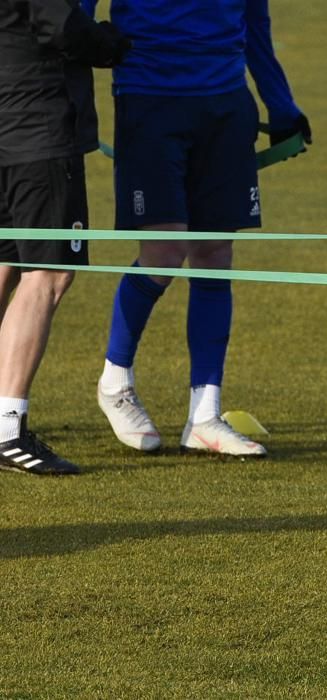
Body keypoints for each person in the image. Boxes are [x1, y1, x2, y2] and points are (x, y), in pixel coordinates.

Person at [90, 0, 312, 457]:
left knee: (214, 253)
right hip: (148, 99)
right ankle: (116, 381)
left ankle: (205, 416)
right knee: (165, 251)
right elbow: (76, 16)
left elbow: (255, 23)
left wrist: (281, 104)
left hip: (226, 104)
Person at [0, 0, 129, 475]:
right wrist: (110, 44)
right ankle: (8, 429)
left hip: (7, 123)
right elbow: (57, 22)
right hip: (38, 127)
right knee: (49, 273)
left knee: (6, 263)